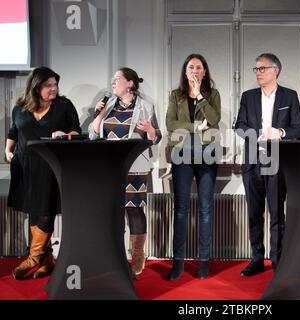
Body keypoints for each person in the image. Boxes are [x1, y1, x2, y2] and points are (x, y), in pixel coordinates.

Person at [5, 67, 81, 280]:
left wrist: (65, 134)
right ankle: (47, 260)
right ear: (36, 87)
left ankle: (33, 257)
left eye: (55, 85)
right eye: (48, 85)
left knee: (46, 211)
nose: (53, 89)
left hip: (51, 166)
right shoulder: (20, 108)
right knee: (33, 211)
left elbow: (77, 131)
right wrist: (7, 150)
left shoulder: (64, 106)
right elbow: (14, 131)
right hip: (24, 166)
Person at [88, 67, 161, 279]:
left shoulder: (146, 106)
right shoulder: (108, 104)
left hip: (135, 166)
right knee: (112, 212)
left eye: (117, 79)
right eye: (112, 79)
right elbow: (93, 134)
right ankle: (115, 257)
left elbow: (156, 137)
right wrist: (99, 112)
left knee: (135, 211)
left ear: (130, 83)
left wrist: (149, 129)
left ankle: (137, 258)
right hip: (109, 167)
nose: (113, 82)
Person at [234, 53, 300, 276]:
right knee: (254, 214)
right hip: (253, 161)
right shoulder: (248, 96)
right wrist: (259, 136)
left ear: (276, 70)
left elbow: (299, 129)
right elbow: (239, 126)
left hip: (277, 160)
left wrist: (280, 132)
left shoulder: (289, 96)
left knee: (276, 213)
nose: (258, 73)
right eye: (256, 69)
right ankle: (256, 258)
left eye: (262, 68)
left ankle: (277, 260)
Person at [166, 53, 221, 280]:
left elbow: (215, 119)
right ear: (185, 71)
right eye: (191, 67)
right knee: (181, 210)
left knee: (206, 210)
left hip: (207, 155)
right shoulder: (175, 95)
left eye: (199, 68)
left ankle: (203, 262)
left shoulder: (212, 94)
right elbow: (170, 123)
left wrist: (200, 96)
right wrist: (196, 127)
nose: (195, 71)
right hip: (182, 155)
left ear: (204, 72)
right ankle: (178, 263)